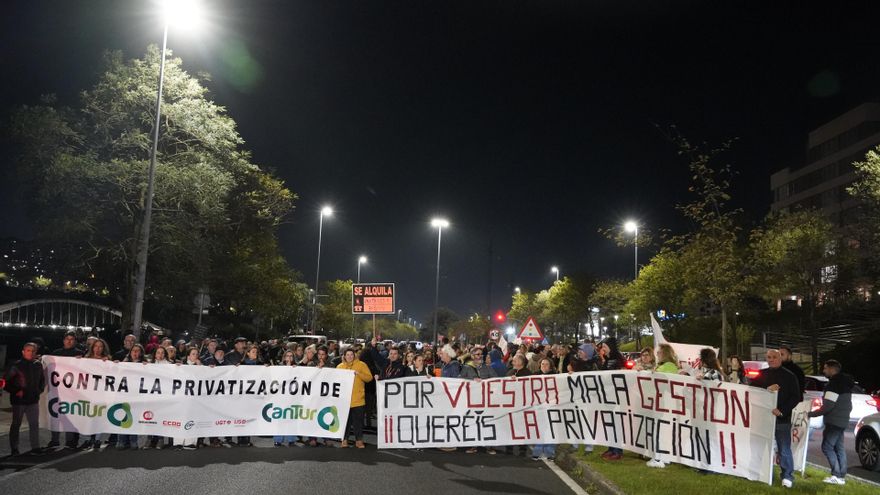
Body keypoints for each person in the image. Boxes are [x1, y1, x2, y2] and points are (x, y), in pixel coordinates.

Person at [750, 349, 802, 488]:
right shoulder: (762, 374)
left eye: (774, 357)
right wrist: (767, 389)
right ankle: (757, 471)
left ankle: (787, 477)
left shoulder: (790, 376)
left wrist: (781, 411)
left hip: (781, 419)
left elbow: (796, 397)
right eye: (768, 357)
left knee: (784, 448)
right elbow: (752, 390)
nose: (771, 359)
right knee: (758, 445)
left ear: (780, 358)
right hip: (763, 418)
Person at [808, 359, 854, 485]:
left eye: (825, 368)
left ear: (832, 369)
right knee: (839, 447)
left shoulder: (833, 385)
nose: (824, 371)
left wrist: (810, 414)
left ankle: (836, 475)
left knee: (827, 447)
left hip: (833, 421)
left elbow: (828, 406)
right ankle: (841, 477)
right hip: (842, 421)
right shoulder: (845, 384)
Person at [4, 343, 45, 456]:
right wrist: (16, 391)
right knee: (16, 424)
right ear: (23, 351)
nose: (30, 353)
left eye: (33, 351)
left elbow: (42, 380)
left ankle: (35, 447)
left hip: (33, 400)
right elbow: (5, 382)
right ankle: (14, 449)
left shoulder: (38, 365)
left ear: (36, 353)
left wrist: (39, 391)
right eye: (28, 350)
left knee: (34, 424)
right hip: (19, 401)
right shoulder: (15, 365)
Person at [645, 344, 681, 468]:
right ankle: (663, 457)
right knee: (661, 430)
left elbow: (662, 382)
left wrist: (653, 373)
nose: (657, 354)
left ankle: (660, 458)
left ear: (664, 354)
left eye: (659, 352)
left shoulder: (668, 367)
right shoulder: (666, 366)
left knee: (659, 430)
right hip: (663, 403)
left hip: (663, 403)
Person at [46, 331, 82, 450]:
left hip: (72, 391)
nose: (69, 341)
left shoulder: (79, 354)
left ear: (75, 341)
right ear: (63, 340)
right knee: (55, 414)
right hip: (56, 390)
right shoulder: (56, 353)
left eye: (72, 339)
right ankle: (54, 440)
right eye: (67, 339)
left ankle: (70, 441)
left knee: (70, 415)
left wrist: (82, 360)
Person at [78, 338, 111, 451]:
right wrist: (77, 361)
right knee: (88, 416)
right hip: (87, 393)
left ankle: (97, 439)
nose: (98, 348)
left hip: (101, 393)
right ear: (92, 347)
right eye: (96, 346)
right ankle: (88, 439)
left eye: (100, 346)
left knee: (99, 416)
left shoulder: (107, 360)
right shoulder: (85, 359)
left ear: (103, 348)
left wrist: (113, 363)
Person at [337, 348, 373, 448]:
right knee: (345, 422)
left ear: (354, 355)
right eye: (347, 355)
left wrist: (359, 374)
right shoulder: (340, 367)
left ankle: (359, 440)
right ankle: (344, 440)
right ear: (344, 356)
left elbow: (369, 378)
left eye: (351, 355)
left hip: (358, 399)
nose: (349, 357)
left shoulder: (361, 365)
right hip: (345, 400)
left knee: (358, 422)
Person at [597, 337, 624, 461]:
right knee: (609, 423)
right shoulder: (607, 360)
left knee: (616, 424)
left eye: (605, 347)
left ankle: (617, 450)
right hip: (606, 396)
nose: (603, 349)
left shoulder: (618, 360)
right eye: (602, 347)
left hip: (616, 397)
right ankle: (611, 448)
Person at [172, 347, 201, 450]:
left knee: (193, 418)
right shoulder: (181, 365)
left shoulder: (200, 366)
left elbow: (205, 377)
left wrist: (200, 366)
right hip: (182, 397)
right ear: (188, 356)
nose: (195, 356)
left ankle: (190, 442)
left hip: (194, 398)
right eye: (193, 354)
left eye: (197, 354)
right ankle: (178, 442)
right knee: (180, 418)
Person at [531, 358, 557, 461]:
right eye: (542, 364)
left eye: (546, 364)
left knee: (551, 429)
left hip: (552, 406)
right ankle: (537, 451)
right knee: (540, 429)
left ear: (550, 366)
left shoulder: (556, 376)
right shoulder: (535, 375)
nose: (544, 366)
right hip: (539, 407)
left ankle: (549, 453)